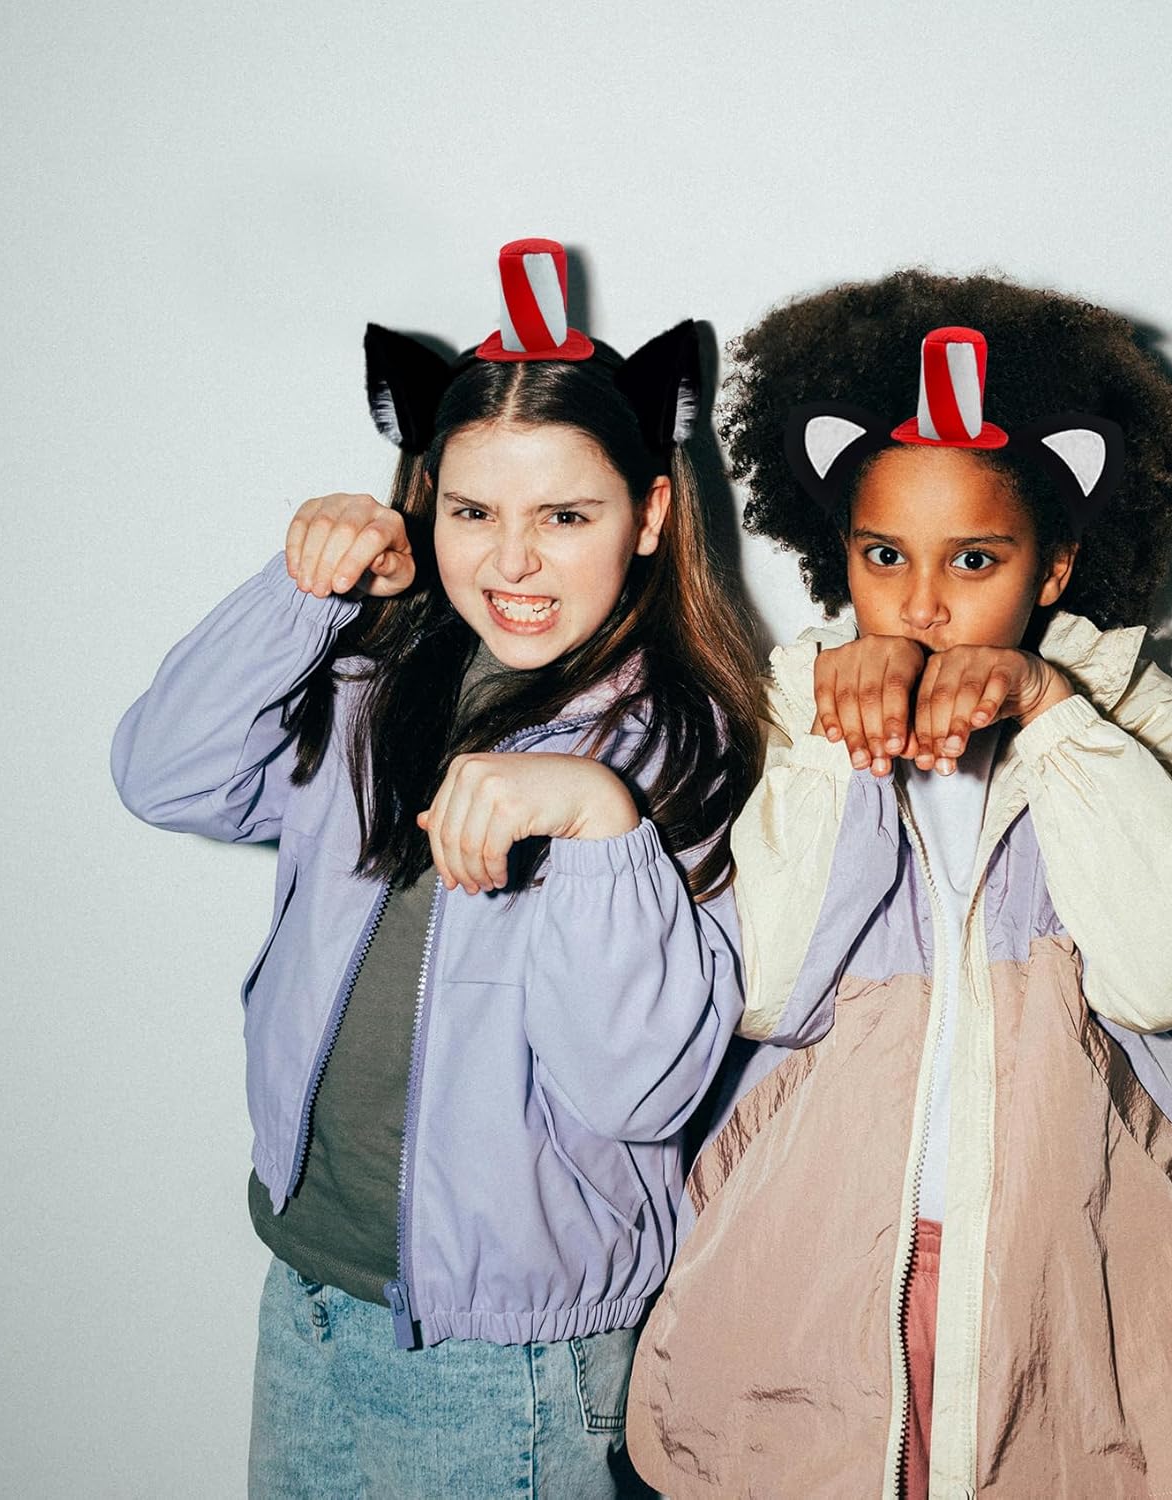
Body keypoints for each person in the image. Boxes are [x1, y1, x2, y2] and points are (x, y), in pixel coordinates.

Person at [111, 238, 762, 1498]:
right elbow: (164, 775)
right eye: (473, 513)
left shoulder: (683, 750)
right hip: (312, 1283)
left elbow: (639, 1087)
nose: (510, 562)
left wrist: (602, 827)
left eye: (565, 516)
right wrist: (307, 595)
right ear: (425, 505)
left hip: (506, 1355)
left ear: (649, 517)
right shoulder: (377, 685)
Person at [625, 273, 1172, 1498]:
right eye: (884, 555)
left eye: (975, 558)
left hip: (1060, 1287)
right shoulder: (783, 710)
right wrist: (832, 739)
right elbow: (760, 990)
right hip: (807, 1275)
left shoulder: (1142, 720)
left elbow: (1171, 976)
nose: (922, 601)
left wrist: (1056, 719)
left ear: (1055, 565)